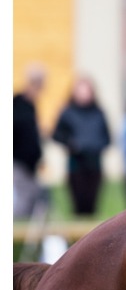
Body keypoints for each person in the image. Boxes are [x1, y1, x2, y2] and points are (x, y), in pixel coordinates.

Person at [52, 76, 111, 216]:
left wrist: (95, 146)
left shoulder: (99, 113)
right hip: (76, 164)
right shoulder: (68, 112)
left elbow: (107, 138)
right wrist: (72, 144)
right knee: (78, 205)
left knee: (92, 205)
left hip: (94, 163)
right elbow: (56, 135)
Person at [13, 64, 47, 219]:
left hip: (31, 164)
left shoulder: (32, 106)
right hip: (18, 162)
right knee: (22, 199)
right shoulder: (17, 104)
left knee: (33, 198)